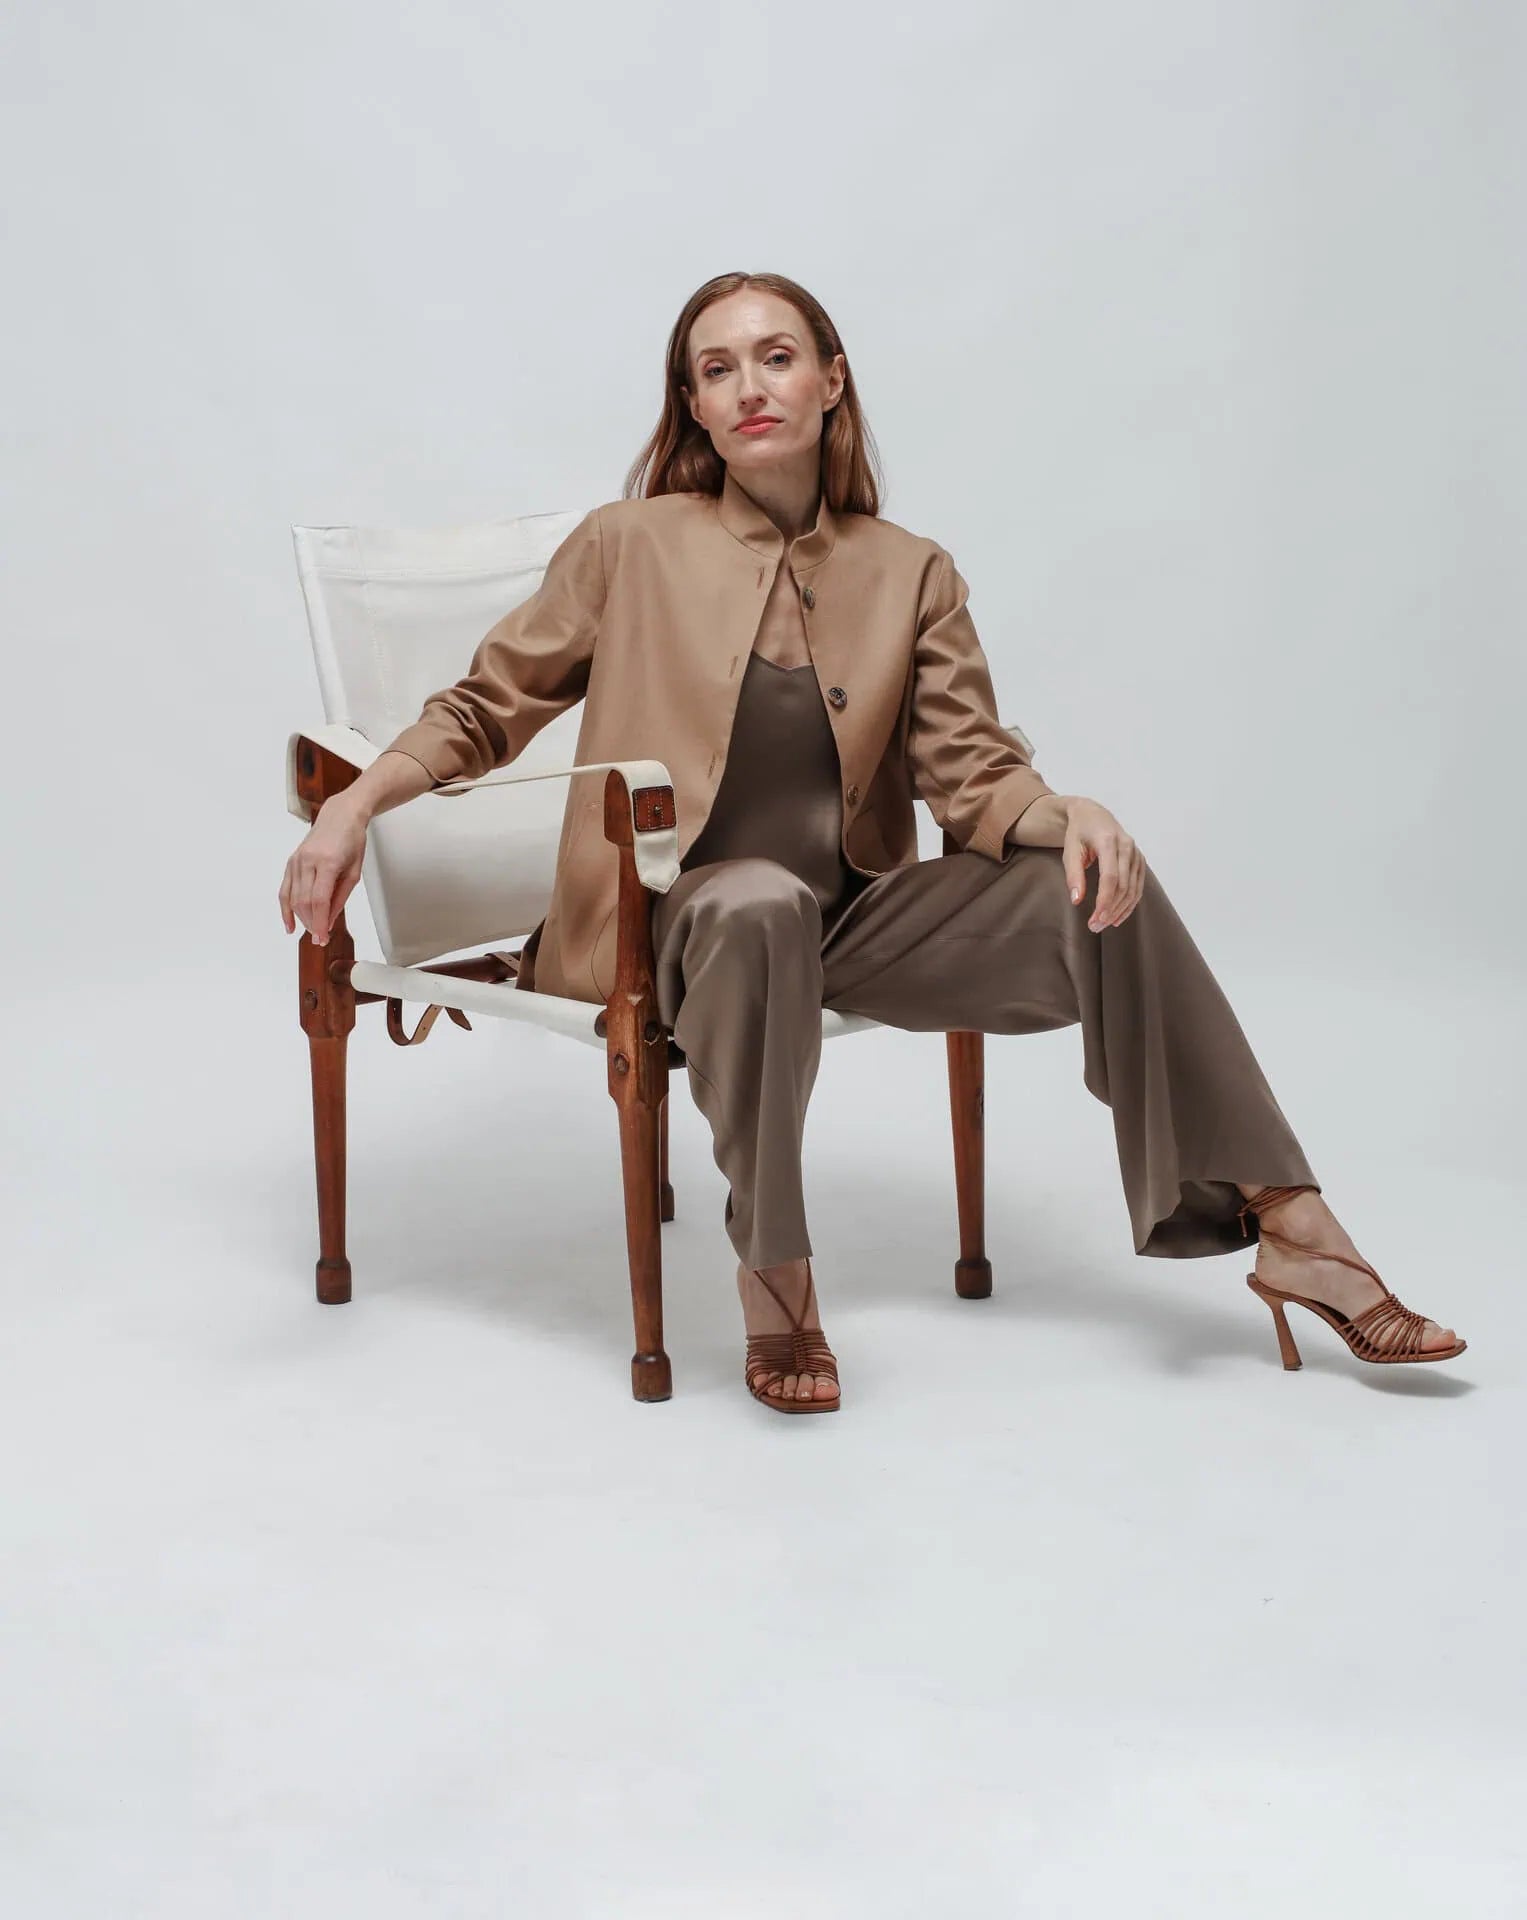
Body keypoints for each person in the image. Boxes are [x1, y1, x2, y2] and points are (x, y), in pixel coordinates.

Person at [280, 271, 1465, 1414]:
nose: (750, 385)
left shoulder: (911, 573)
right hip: (666, 929)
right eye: (717, 369)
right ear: (693, 405)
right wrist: (352, 807)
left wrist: (1076, 815)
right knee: (754, 898)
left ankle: (1294, 1225)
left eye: (776, 357)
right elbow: (484, 708)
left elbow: (972, 773)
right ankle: (778, 1272)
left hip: (842, 924)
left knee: (1098, 883)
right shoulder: (627, 543)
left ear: (832, 381)